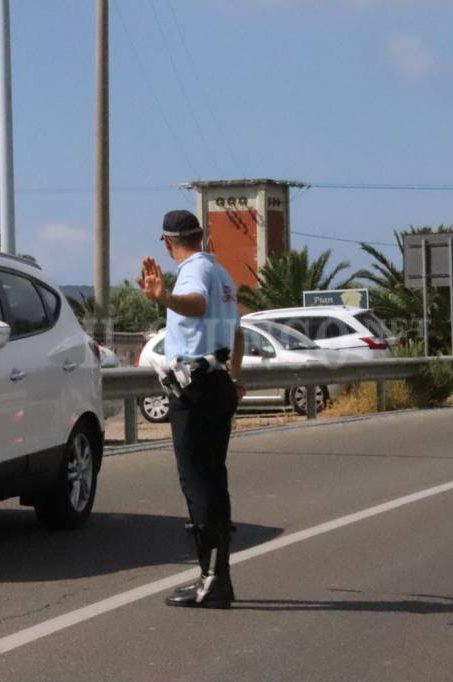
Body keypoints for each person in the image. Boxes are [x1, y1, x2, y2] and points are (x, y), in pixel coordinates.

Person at [137, 209, 245, 609]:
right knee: (213, 481)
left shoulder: (194, 273)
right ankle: (216, 578)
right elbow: (237, 332)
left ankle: (213, 581)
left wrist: (163, 297)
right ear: (200, 235)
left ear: (166, 243)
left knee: (198, 483)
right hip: (217, 384)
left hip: (195, 390)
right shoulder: (224, 275)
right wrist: (233, 379)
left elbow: (196, 305)